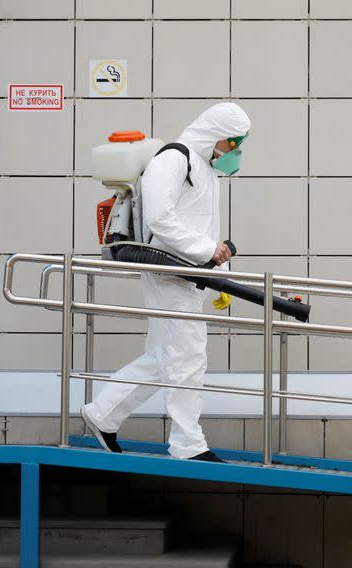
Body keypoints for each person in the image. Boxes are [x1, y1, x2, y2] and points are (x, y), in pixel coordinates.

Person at [81, 102, 251, 462]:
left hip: (189, 275)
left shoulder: (203, 168)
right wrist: (209, 251)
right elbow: (161, 219)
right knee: (188, 356)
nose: (235, 152)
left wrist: (219, 277)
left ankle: (103, 413)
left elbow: (201, 228)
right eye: (232, 143)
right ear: (215, 135)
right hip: (170, 272)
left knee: (163, 356)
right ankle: (188, 445)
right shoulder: (173, 159)